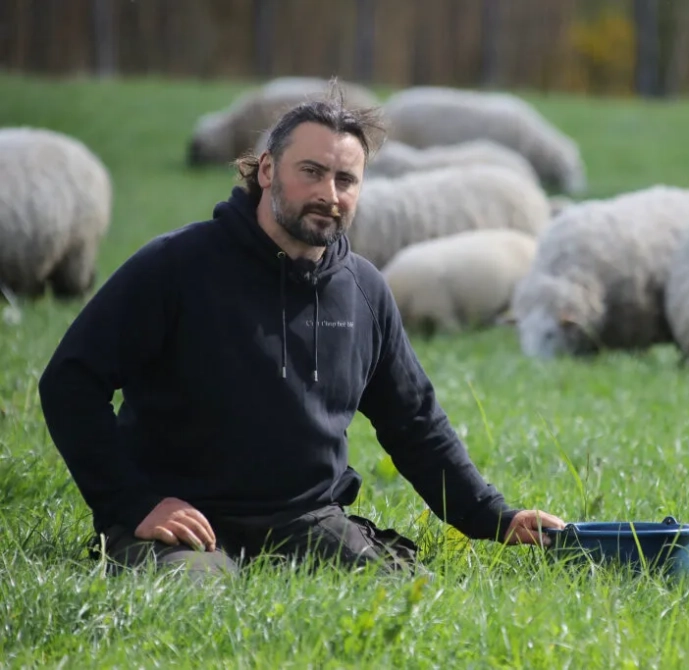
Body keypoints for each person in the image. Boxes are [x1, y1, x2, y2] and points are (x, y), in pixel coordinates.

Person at [38, 82, 565, 576]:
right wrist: (133, 503)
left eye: (345, 180)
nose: (328, 194)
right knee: (194, 607)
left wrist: (495, 517)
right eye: (310, 172)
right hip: (186, 523)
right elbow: (69, 381)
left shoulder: (364, 290)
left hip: (308, 520)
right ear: (266, 170)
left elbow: (415, 423)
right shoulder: (176, 266)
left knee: (410, 597)